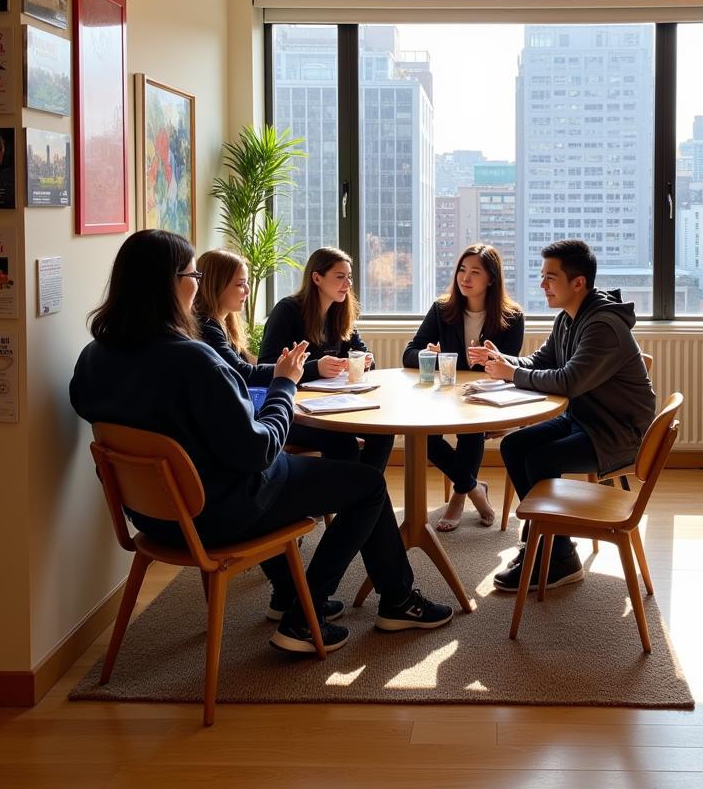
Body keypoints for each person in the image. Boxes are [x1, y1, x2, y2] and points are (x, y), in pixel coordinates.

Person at [70, 230, 452, 656]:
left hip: (155, 516)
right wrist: (285, 385)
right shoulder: (194, 361)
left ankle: (295, 596)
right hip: (220, 509)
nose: (197, 284)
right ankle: (318, 618)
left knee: (348, 475)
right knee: (368, 485)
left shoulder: (94, 358)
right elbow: (260, 451)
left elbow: (104, 411)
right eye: (193, 274)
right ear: (171, 283)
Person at [483, 239, 656, 592]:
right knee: (515, 446)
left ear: (578, 283)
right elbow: (541, 362)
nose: (542, 285)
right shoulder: (568, 318)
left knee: (539, 459)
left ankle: (557, 554)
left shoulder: (603, 326)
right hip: (587, 419)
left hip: (614, 433)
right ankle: (549, 543)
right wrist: (504, 362)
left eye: (550, 278)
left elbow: (568, 381)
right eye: (542, 276)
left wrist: (509, 374)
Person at [403, 244, 525, 532]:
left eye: (474, 272)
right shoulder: (442, 309)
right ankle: (473, 488)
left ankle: (458, 498)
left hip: (485, 398)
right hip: (444, 397)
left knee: (471, 431)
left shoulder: (512, 317)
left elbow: (508, 368)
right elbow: (409, 353)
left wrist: (493, 359)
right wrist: (428, 356)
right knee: (423, 437)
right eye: (461, 270)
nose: (464, 278)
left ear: (491, 279)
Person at [258, 247, 393, 471]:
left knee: (383, 433)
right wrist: (315, 368)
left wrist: (363, 360)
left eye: (349, 277)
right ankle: (359, 498)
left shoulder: (340, 312)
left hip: (334, 405)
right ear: (317, 278)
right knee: (343, 444)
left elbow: (362, 352)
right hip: (293, 411)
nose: (348, 284)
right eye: (340, 277)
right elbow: (267, 365)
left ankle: (361, 497)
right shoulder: (287, 311)